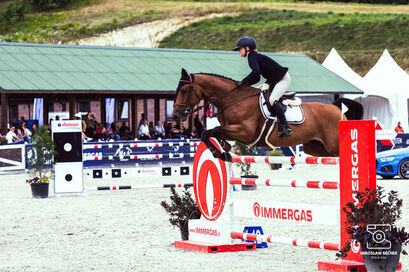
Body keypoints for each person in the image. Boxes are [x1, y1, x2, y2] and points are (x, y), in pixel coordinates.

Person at [234, 36, 292, 137]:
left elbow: (256, 72)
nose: (239, 51)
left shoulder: (252, 56)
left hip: (283, 79)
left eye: (240, 48)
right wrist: (245, 85)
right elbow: (256, 77)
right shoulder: (253, 56)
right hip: (273, 80)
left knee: (272, 99)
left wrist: (243, 82)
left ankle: (285, 127)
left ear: (247, 48)